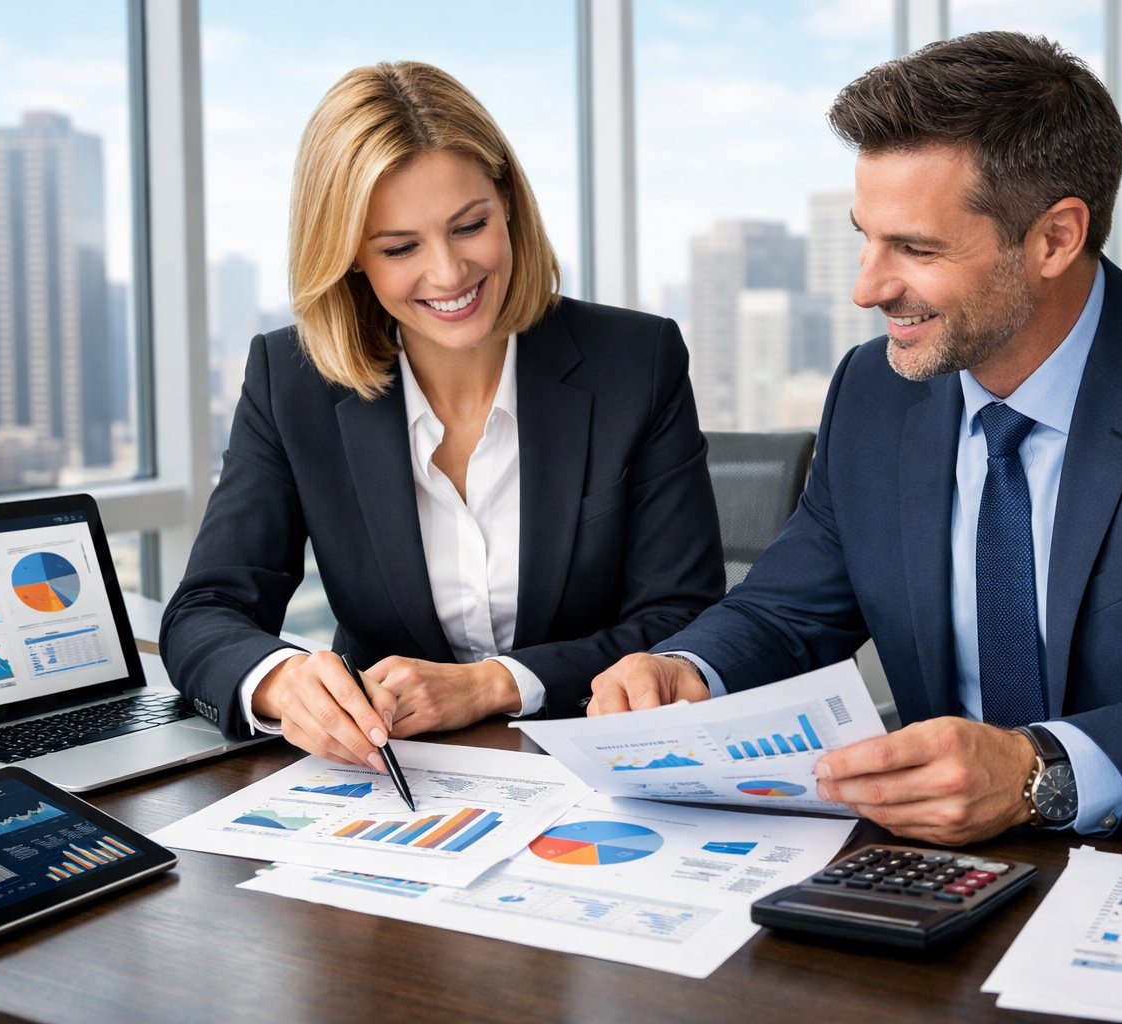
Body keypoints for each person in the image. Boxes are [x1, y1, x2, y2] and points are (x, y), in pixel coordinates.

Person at [590, 31, 1122, 846]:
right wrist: (686, 670)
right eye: (865, 236)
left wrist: (1040, 771)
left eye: (915, 249)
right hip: (932, 868)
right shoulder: (874, 389)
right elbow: (787, 611)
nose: (867, 287)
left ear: (1055, 236)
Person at [162, 61, 723, 772]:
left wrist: (494, 684)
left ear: (509, 204)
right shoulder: (292, 381)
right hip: (394, 781)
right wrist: (279, 679)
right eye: (400, 248)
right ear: (350, 257)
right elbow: (205, 610)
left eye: (470, 226)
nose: (450, 273)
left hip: (599, 768)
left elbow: (683, 618)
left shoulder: (634, 361)